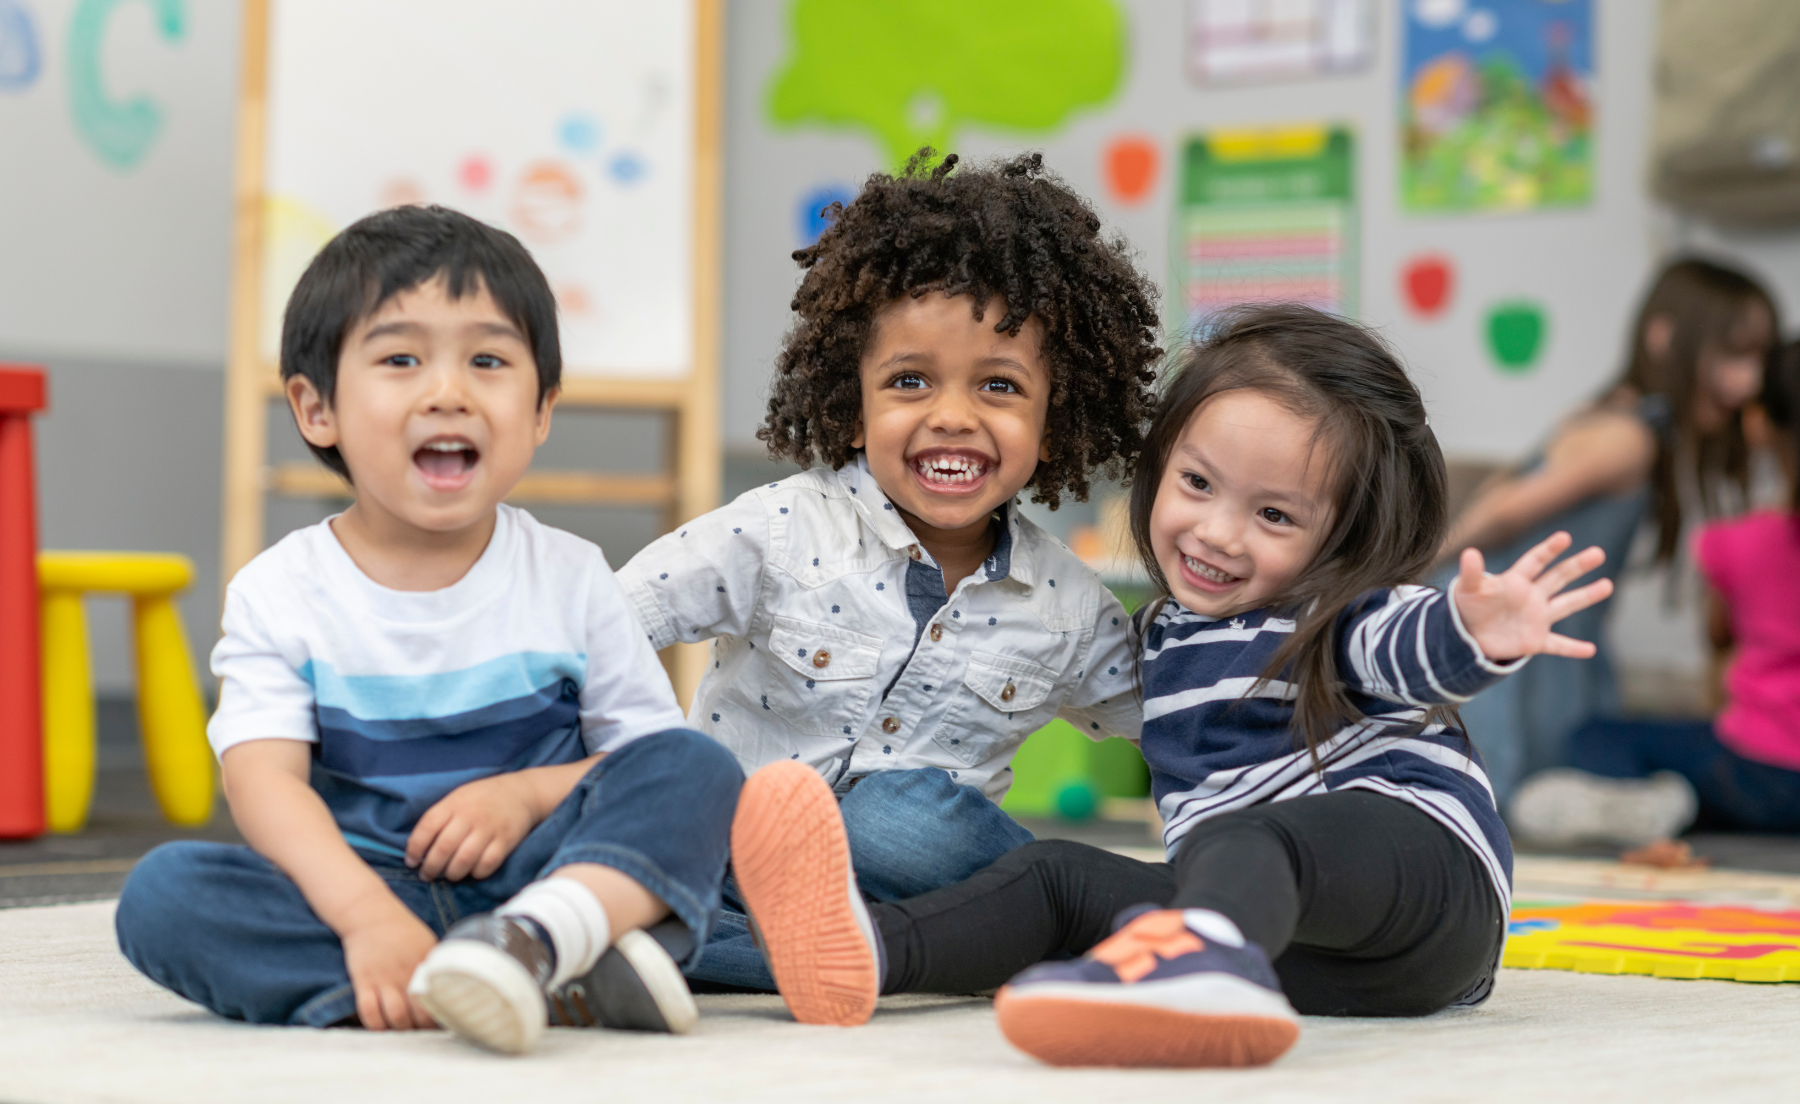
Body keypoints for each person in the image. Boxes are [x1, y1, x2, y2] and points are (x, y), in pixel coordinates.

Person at [722, 303, 1616, 1066]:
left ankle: (1200, 970)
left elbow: (1406, 646)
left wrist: (1472, 633)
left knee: (1259, 838)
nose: (1218, 533)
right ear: (1157, 472)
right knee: (1056, 879)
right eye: (1197, 484)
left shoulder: (1327, 615)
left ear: (1339, 542)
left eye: (1273, 514)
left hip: (1425, 889)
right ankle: (863, 955)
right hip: (1289, 947)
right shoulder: (1158, 638)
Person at [114, 206, 744, 1056]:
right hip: (366, 889)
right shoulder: (280, 590)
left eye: (488, 361)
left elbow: (638, 761)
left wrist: (524, 797)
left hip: (542, 875)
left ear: (541, 410)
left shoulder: (570, 573)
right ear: (316, 407)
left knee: (698, 764)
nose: (447, 392)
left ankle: (534, 947)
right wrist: (367, 917)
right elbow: (266, 783)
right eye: (401, 359)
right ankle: (508, 977)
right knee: (165, 898)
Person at [617, 151, 1162, 990]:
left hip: (917, 876)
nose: (952, 416)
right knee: (646, 884)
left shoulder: (1069, 611)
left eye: (999, 387)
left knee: (896, 818)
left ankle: (1091, 923)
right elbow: (607, 623)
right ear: (854, 399)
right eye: (910, 381)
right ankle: (827, 956)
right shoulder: (778, 530)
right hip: (726, 864)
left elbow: (1176, 732)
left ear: (1054, 421)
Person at [1442, 258, 1777, 802]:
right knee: (1509, 798)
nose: (1749, 382)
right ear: (1664, 338)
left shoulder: (1620, 419)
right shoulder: (1628, 438)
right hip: (1501, 634)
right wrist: (1402, 568)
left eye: (1758, 359)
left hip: (1539, 637)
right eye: (1734, 355)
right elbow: (1506, 507)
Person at [1511, 338, 1800, 847]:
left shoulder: (1737, 544)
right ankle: (1682, 805)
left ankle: (1669, 806)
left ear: (1758, 423)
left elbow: (1718, 640)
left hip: (1756, 770)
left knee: (1594, 734)